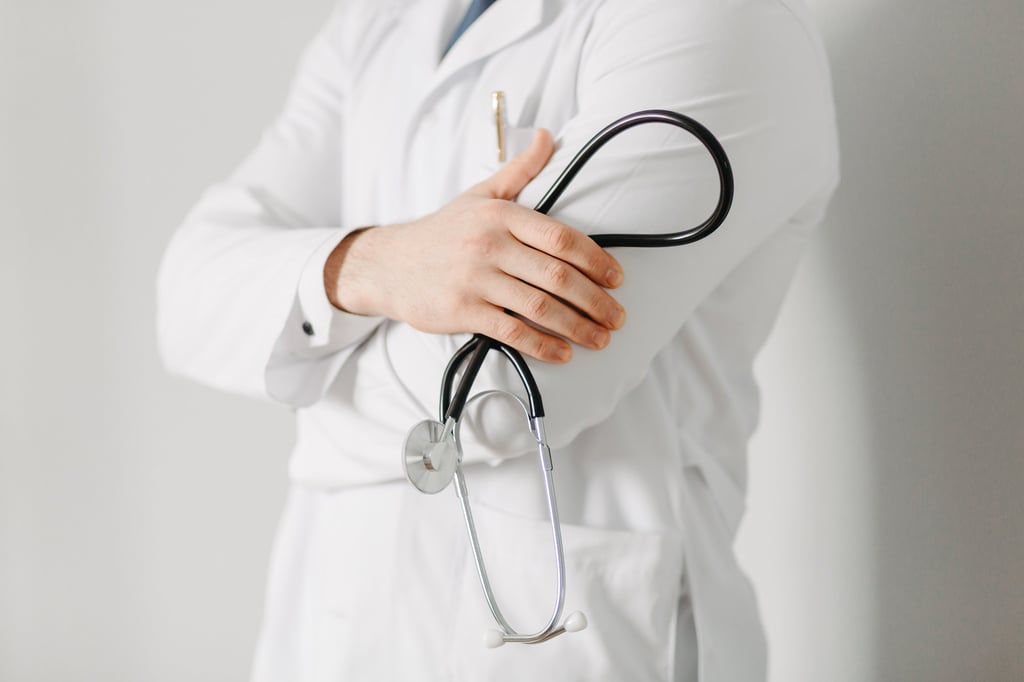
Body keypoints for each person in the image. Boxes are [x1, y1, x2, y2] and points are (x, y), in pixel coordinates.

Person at [157, 0, 838, 679]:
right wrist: (375, 262)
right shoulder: (375, 23)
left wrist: (296, 353)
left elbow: (503, 390)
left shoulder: (716, 18)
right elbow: (184, 298)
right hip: (332, 631)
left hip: (573, 647)